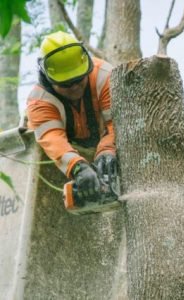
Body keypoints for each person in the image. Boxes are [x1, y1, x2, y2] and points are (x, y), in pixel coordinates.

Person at [26, 31, 116, 200]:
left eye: (79, 79)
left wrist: (107, 151)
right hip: (50, 167)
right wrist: (78, 167)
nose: (75, 87)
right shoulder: (39, 101)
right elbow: (52, 139)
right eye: (66, 84)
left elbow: (117, 124)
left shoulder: (105, 77)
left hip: (99, 145)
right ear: (48, 78)